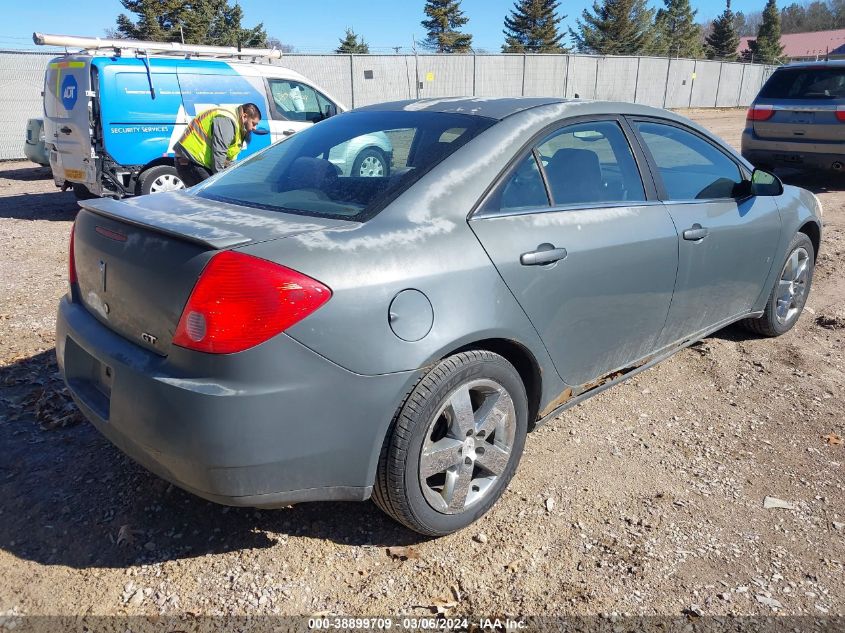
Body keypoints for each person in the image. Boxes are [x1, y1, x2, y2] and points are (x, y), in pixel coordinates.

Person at [174, 102, 262, 187]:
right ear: (245, 116)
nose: (254, 128)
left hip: (195, 161)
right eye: (253, 124)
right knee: (212, 195)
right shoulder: (228, 120)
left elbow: (227, 157)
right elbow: (219, 153)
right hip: (191, 161)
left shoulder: (235, 120)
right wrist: (219, 181)